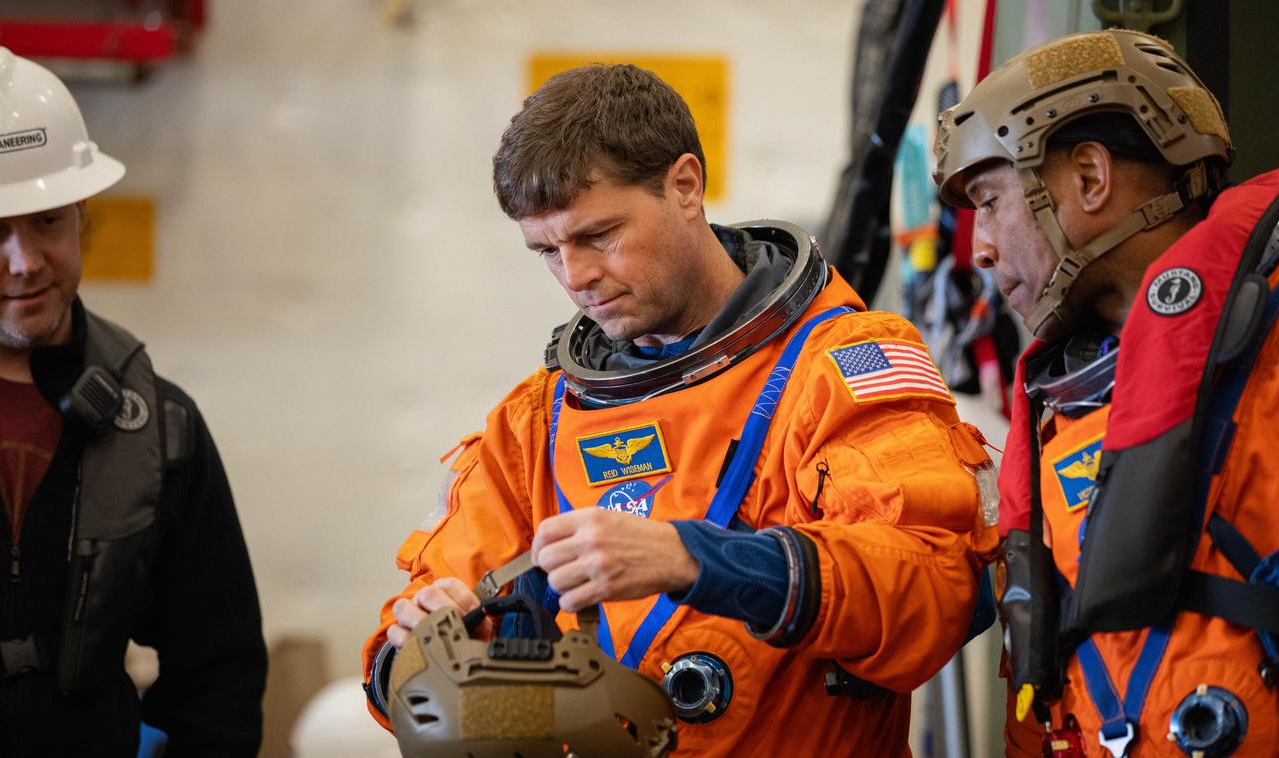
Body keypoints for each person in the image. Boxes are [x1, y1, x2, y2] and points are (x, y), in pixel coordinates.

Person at [363, 63, 998, 755]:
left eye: (598, 235)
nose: (575, 278)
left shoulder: (842, 367)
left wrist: (694, 560)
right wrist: (429, 646)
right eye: (547, 251)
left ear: (685, 186)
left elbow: (931, 592)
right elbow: (404, 677)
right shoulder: (535, 423)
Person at [934, 28, 1279, 757]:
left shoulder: (1266, 351)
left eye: (991, 201)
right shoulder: (1058, 408)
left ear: (1090, 177)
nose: (980, 248)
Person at [0, 48, 266, 756]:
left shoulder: (156, 426)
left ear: (83, 217)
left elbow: (220, 680)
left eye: (47, 221)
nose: (24, 261)